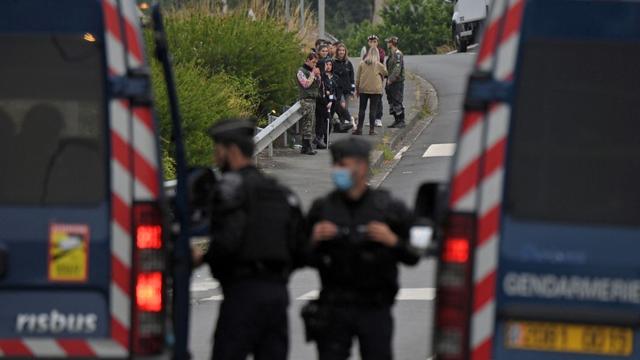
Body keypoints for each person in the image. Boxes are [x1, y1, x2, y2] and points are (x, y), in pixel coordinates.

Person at [192, 118, 308, 360]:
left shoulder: (229, 191)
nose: (215, 158)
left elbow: (227, 241)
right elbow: (301, 248)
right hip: (277, 296)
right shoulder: (279, 192)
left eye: (218, 151)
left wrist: (202, 257)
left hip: (241, 295)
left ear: (232, 151)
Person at [305, 137, 422, 360]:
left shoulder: (388, 208)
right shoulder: (323, 209)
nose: (336, 170)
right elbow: (301, 256)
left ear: (362, 167)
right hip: (334, 306)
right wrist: (314, 240)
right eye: (335, 164)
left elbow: (414, 254)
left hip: (374, 307)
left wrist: (392, 241)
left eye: (343, 165)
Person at [354, 48, 387, 136]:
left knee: (362, 109)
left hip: (363, 89)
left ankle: (359, 129)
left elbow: (357, 78)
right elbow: (386, 73)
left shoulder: (362, 63)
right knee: (373, 110)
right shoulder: (378, 65)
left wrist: (357, 89)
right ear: (377, 54)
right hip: (376, 89)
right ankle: (371, 130)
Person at [297, 52, 321, 155]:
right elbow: (306, 84)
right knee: (308, 123)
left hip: (313, 99)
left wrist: (318, 76)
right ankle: (307, 146)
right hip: (306, 99)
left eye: (316, 63)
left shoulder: (313, 71)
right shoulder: (301, 71)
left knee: (311, 123)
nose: (314, 65)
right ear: (307, 60)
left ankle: (305, 147)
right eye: (313, 62)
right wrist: (312, 74)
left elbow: (318, 85)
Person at [363, 35, 385, 128]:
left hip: (378, 78)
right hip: (368, 80)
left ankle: (378, 118)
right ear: (368, 43)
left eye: (375, 41)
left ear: (377, 42)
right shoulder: (366, 53)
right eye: (371, 42)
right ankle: (372, 119)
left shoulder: (381, 51)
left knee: (378, 99)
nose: (373, 43)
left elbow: (381, 60)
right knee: (371, 101)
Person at [333, 43, 356, 130]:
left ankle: (342, 125)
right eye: (340, 50)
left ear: (345, 52)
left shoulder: (348, 63)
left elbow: (351, 76)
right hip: (338, 89)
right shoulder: (333, 62)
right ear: (337, 51)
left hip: (347, 89)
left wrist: (353, 89)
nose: (341, 52)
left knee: (345, 107)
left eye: (343, 50)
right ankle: (348, 120)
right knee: (341, 106)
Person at [385, 36, 406, 129]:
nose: (387, 44)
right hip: (390, 81)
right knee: (392, 102)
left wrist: (391, 79)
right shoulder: (391, 54)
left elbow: (397, 69)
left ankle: (401, 120)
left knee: (397, 101)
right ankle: (396, 120)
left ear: (391, 43)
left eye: (388, 42)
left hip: (396, 82)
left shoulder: (398, 54)